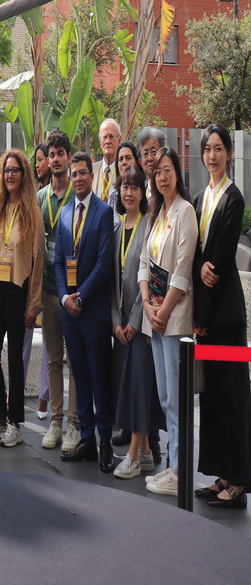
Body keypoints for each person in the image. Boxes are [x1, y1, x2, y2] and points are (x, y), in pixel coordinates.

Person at [192, 125, 251, 508]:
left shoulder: (234, 199)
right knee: (212, 399)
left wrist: (202, 312)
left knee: (234, 397)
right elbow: (196, 254)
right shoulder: (200, 198)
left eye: (218, 149)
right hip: (206, 319)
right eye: (207, 149)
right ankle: (222, 475)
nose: (212, 156)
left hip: (226, 318)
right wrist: (199, 267)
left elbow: (219, 258)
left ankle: (240, 482)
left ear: (229, 153)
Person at [138, 146, 197, 497]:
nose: (162, 177)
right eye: (157, 172)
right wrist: (147, 306)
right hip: (156, 318)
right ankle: (173, 466)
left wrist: (162, 311)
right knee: (164, 397)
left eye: (167, 170)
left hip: (174, 321)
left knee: (176, 399)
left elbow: (183, 270)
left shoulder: (185, 211)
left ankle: (180, 471)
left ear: (177, 172)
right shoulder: (156, 213)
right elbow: (144, 264)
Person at [0, 149, 43, 448]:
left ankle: (15, 423)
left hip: (18, 292)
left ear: (23, 175)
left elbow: (38, 263)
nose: (10, 175)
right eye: (6, 170)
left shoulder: (32, 214)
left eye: (16, 170)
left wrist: (33, 306)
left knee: (15, 358)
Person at [55, 151, 117, 473]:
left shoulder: (104, 212)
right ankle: (87, 439)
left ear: (91, 177)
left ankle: (105, 442)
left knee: (99, 378)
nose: (78, 178)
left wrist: (81, 299)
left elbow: (105, 264)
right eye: (74, 173)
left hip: (93, 313)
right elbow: (57, 263)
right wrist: (65, 298)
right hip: (70, 313)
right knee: (79, 376)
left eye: (82, 173)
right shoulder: (65, 213)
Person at [110, 165, 163, 479]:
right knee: (128, 387)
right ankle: (144, 453)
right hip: (120, 326)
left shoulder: (149, 226)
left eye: (134, 187)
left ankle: (132, 454)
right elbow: (112, 283)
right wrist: (116, 322)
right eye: (124, 187)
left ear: (143, 193)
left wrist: (133, 321)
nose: (128, 193)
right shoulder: (118, 229)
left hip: (141, 324)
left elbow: (152, 279)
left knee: (141, 387)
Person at [36, 129, 79, 452]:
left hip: (73, 294)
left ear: (68, 157)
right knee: (52, 359)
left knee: (74, 360)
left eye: (60, 154)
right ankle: (55, 421)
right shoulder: (40, 199)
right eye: (51, 155)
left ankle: (74, 424)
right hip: (49, 290)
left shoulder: (77, 195)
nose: (55, 159)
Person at [92, 118, 122, 202]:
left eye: (111, 137)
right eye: (104, 137)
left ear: (119, 140)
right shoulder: (91, 170)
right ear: (100, 141)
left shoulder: (125, 171)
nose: (108, 141)